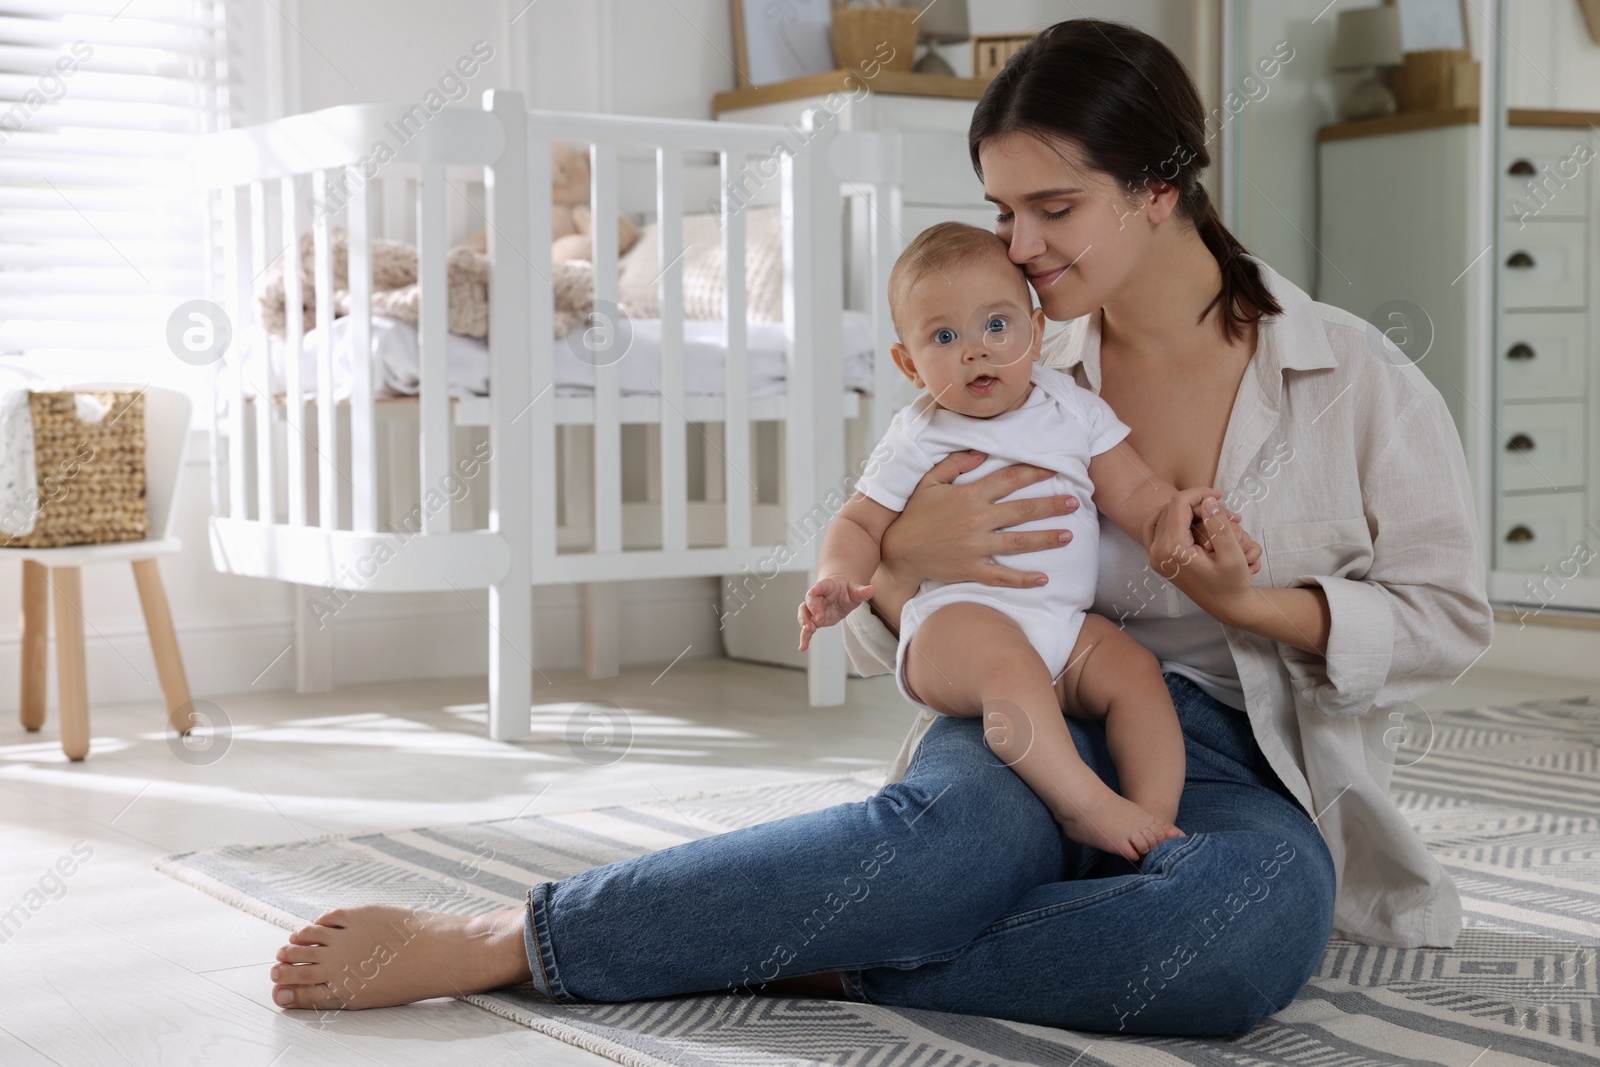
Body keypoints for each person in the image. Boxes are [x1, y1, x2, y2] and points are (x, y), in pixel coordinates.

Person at [267, 18, 1493, 1036]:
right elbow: (873, 628)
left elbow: (1445, 618)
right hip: (1023, 705)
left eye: (1052, 208)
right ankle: (506, 935)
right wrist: (904, 565)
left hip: (1238, 752)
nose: (1017, 250)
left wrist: (1247, 604)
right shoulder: (995, 365)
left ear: (1160, 187)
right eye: (1001, 210)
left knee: (1239, 937)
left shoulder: (1355, 375)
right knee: (944, 846)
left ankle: (821, 954)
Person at [799, 220, 1262, 862]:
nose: (976, 351)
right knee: (1009, 668)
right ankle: (1087, 808)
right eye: (944, 336)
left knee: (1134, 672)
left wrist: (1195, 524)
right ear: (908, 364)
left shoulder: (1069, 406)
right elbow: (858, 522)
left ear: (1036, 332)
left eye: (996, 325)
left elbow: (1138, 494)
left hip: (1064, 626)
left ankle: (1151, 825)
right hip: (955, 628)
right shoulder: (920, 435)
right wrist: (835, 577)